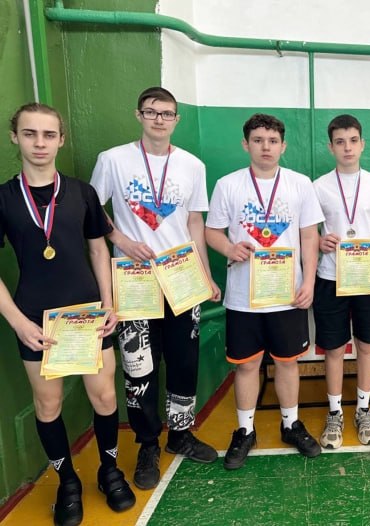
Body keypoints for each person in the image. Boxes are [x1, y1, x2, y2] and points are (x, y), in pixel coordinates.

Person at [1, 103, 135, 525]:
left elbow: (98, 249)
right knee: (48, 405)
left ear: (61, 140)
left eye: (48, 134)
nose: (39, 143)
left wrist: (109, 303)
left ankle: (109, 470)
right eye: (30, 134)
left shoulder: (81, 193)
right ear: (15, 137)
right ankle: (67, 482)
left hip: (88, 316)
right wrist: (18, 322)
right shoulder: (4, 198)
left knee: (105, 396)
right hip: (34, 319)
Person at [90, 87, 221, 490]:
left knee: (184, 360)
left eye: (166, 113)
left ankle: (180, 432)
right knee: (139, 367)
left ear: (176, 119)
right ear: (139, 115)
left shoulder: (192, 165)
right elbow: (93, 212)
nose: (159, 119)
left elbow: (195, 222)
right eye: (151, 112)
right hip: (134, 278)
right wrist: (121, 240)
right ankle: (147, 443)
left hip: (181, 278)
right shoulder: (113, 160)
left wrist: (206, 274)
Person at [205, 113, 324, 467]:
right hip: (244, 297)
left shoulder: (300, 184)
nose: (265, 147)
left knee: (288, 363)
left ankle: (291, 424)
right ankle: (245, 431)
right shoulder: (228, 185)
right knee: (247, 365)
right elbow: (211, 231)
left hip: (287, 294)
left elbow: (309, 236)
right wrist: (229, 248)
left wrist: (309, 281)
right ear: (246, 144)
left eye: (272, 141)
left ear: (283, 146)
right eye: (258, 140)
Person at [312, 115, 370, 449]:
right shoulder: (318, 186)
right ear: (331, 147)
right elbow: (310, 233)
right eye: (340, 142)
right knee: (333, 348)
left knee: (366, 346)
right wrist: (320, 242)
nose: (347, 147)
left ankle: (363, 409)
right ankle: (335, 413)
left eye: (353, 140)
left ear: (362, 144)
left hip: (368, 279)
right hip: (331, 277)